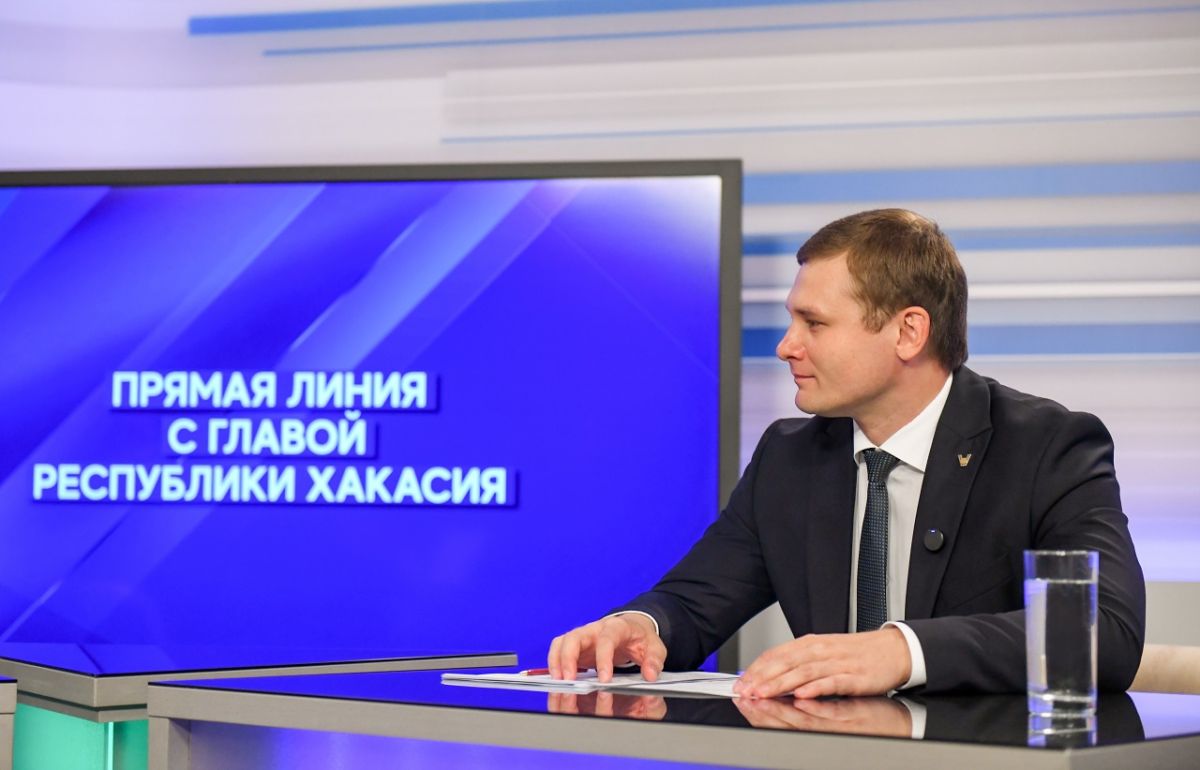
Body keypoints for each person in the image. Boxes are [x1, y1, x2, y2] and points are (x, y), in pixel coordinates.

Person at [547, 209, 1145, 697]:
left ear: (908, 332)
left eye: (814, 323)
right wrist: (640, 626)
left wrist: (901, 651)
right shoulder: (789, 458)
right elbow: (695, 603)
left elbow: (1104, 630)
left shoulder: (1045, 447)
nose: (786, 347)